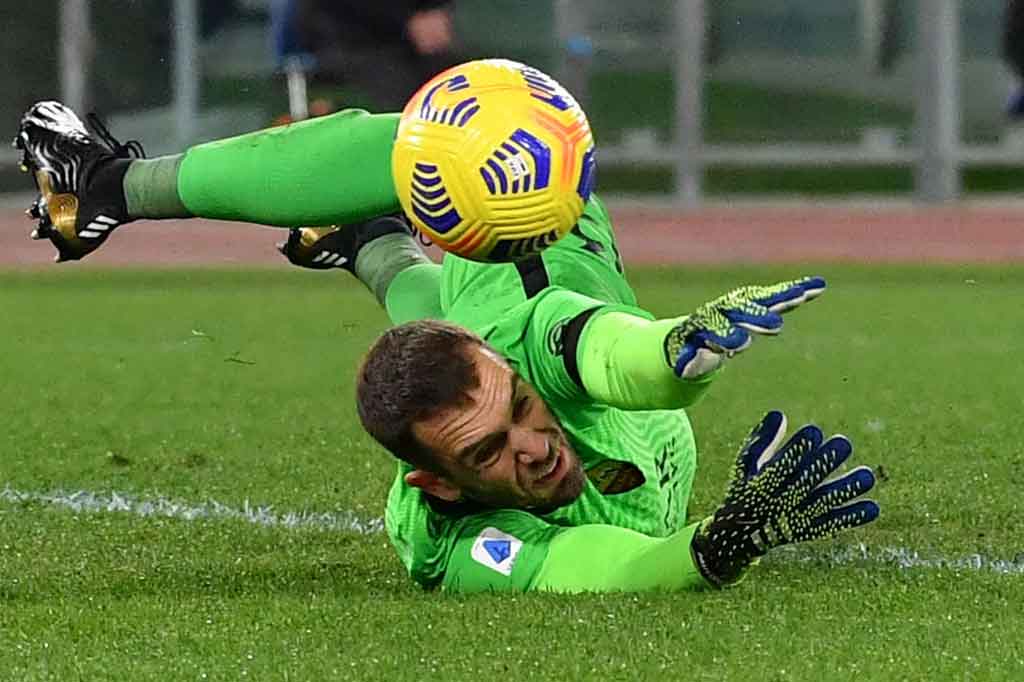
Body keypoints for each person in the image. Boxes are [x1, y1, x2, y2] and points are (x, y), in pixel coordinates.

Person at [13, 97, 880, 593]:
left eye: (517, 413)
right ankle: (362, 236)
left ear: (511, 377)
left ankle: (116, 186)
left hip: (540, 274)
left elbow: (606, 352)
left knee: (464, 136)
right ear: (437, 482)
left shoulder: (529, 353)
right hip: (479, 324)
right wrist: (706, 551)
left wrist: (678, 351)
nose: (536, 449)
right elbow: (578, 568)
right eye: (489, 453)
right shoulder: (440, 540)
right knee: (445, 255)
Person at [290, 0, 460, 112]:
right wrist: (408, 21)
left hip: (409, 45)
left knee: (461, 83)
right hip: (349, 44)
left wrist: (432, 10)